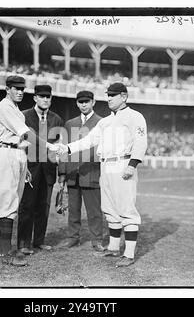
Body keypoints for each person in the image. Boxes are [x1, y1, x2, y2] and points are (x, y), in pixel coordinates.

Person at [56, 82, 147, 268]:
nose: (109, 99)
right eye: (108, 95)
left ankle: (129, 254)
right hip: (105, 166)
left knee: (127, 209)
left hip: (123, 164)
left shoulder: (135, 116)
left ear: (124, 96)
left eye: (113, 95)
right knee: (110, 209)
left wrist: (133, 164)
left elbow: (141, 141)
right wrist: (67, 147)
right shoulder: (104, 121)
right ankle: (113, 248)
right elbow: (89, 140)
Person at [0, 76, 57, 267]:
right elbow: (25, 134)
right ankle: (4, 252)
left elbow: (22, 141)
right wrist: (49, 147)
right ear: (7, 89)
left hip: (17, 154)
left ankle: (4, 249)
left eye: (21, 89)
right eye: (15, 88)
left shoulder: (16, 110)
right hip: (5, 152)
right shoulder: (4, 107)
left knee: (13, 202)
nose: (19, 92)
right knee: (8, 202)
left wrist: (25, 166)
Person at [17, 85, 64, 255]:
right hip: (30, 168)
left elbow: (59, 146)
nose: (45, 99)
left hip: (48, 169)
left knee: (43, 207)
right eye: (41, 96)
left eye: (48, 97)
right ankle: (23, 243)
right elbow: (19, 142)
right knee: (27, 205)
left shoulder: (56, 119)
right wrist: (22, 166)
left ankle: (39, 241)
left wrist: (61, 172)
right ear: (35, 98)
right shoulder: (23, 116)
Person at [57, 90, 105, 252]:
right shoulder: (70, 124)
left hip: (91, 171)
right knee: (73, 209)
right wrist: (62, 173)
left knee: (94, 210)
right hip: (72, 172)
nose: (83, 104)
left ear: (93, 102)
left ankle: (97, 240)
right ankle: (73, 238)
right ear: (76, 103)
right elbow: (63, 150)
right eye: (80, 101)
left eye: (87, 101)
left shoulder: (101, 122)